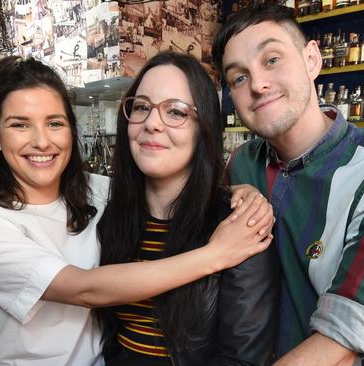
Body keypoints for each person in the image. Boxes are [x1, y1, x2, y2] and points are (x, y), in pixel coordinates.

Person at [0, 56, 274, 365]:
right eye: (19, 124)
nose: (41, 141)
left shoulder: (100, 197)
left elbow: (241, 354)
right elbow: (86, 288)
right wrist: (214, 254)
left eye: (175, 111)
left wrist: (239, 193)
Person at [212, 4, 364, 365]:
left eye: (271, 59)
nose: (257, 84)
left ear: (312, 59)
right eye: (238, 78)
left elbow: (340, 340)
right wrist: (233, 193)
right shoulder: (242, 164)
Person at [96, 51, 278, 365]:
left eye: (176, 112)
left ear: (203, 128)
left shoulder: (237, 226)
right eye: (141, 107)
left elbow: (242, 359)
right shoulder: (109, 217)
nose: (152, 123)